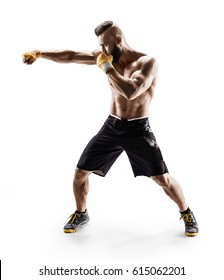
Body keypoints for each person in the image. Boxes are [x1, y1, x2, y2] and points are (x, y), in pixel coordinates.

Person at [23, 20, 198, 237]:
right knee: (80, 173)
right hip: (112, 126)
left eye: (106, 45)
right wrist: (39, 53)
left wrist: (106, 67)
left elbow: (131, 91)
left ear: (118, 40)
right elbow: (71, 55)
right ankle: (82, 213)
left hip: (138, 129)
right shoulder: (106, 55)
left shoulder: (146, 62)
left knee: (162, 179)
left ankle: (187, 213)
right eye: (101, 46)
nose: (103, 50)